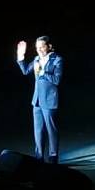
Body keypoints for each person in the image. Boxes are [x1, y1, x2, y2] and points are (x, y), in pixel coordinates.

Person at [16, 36, 63, 164]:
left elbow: (57, 80)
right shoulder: (36, 59)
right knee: (38, 131)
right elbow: (26, 71)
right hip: (36, 100)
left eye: (42, 47)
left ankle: (53, 157)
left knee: (51, 130)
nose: (39, 50)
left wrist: (42, 72)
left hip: (49, 100)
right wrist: (21, 57)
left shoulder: (57, 59)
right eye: (37, 48)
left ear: (49, 46)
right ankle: (39, 157)